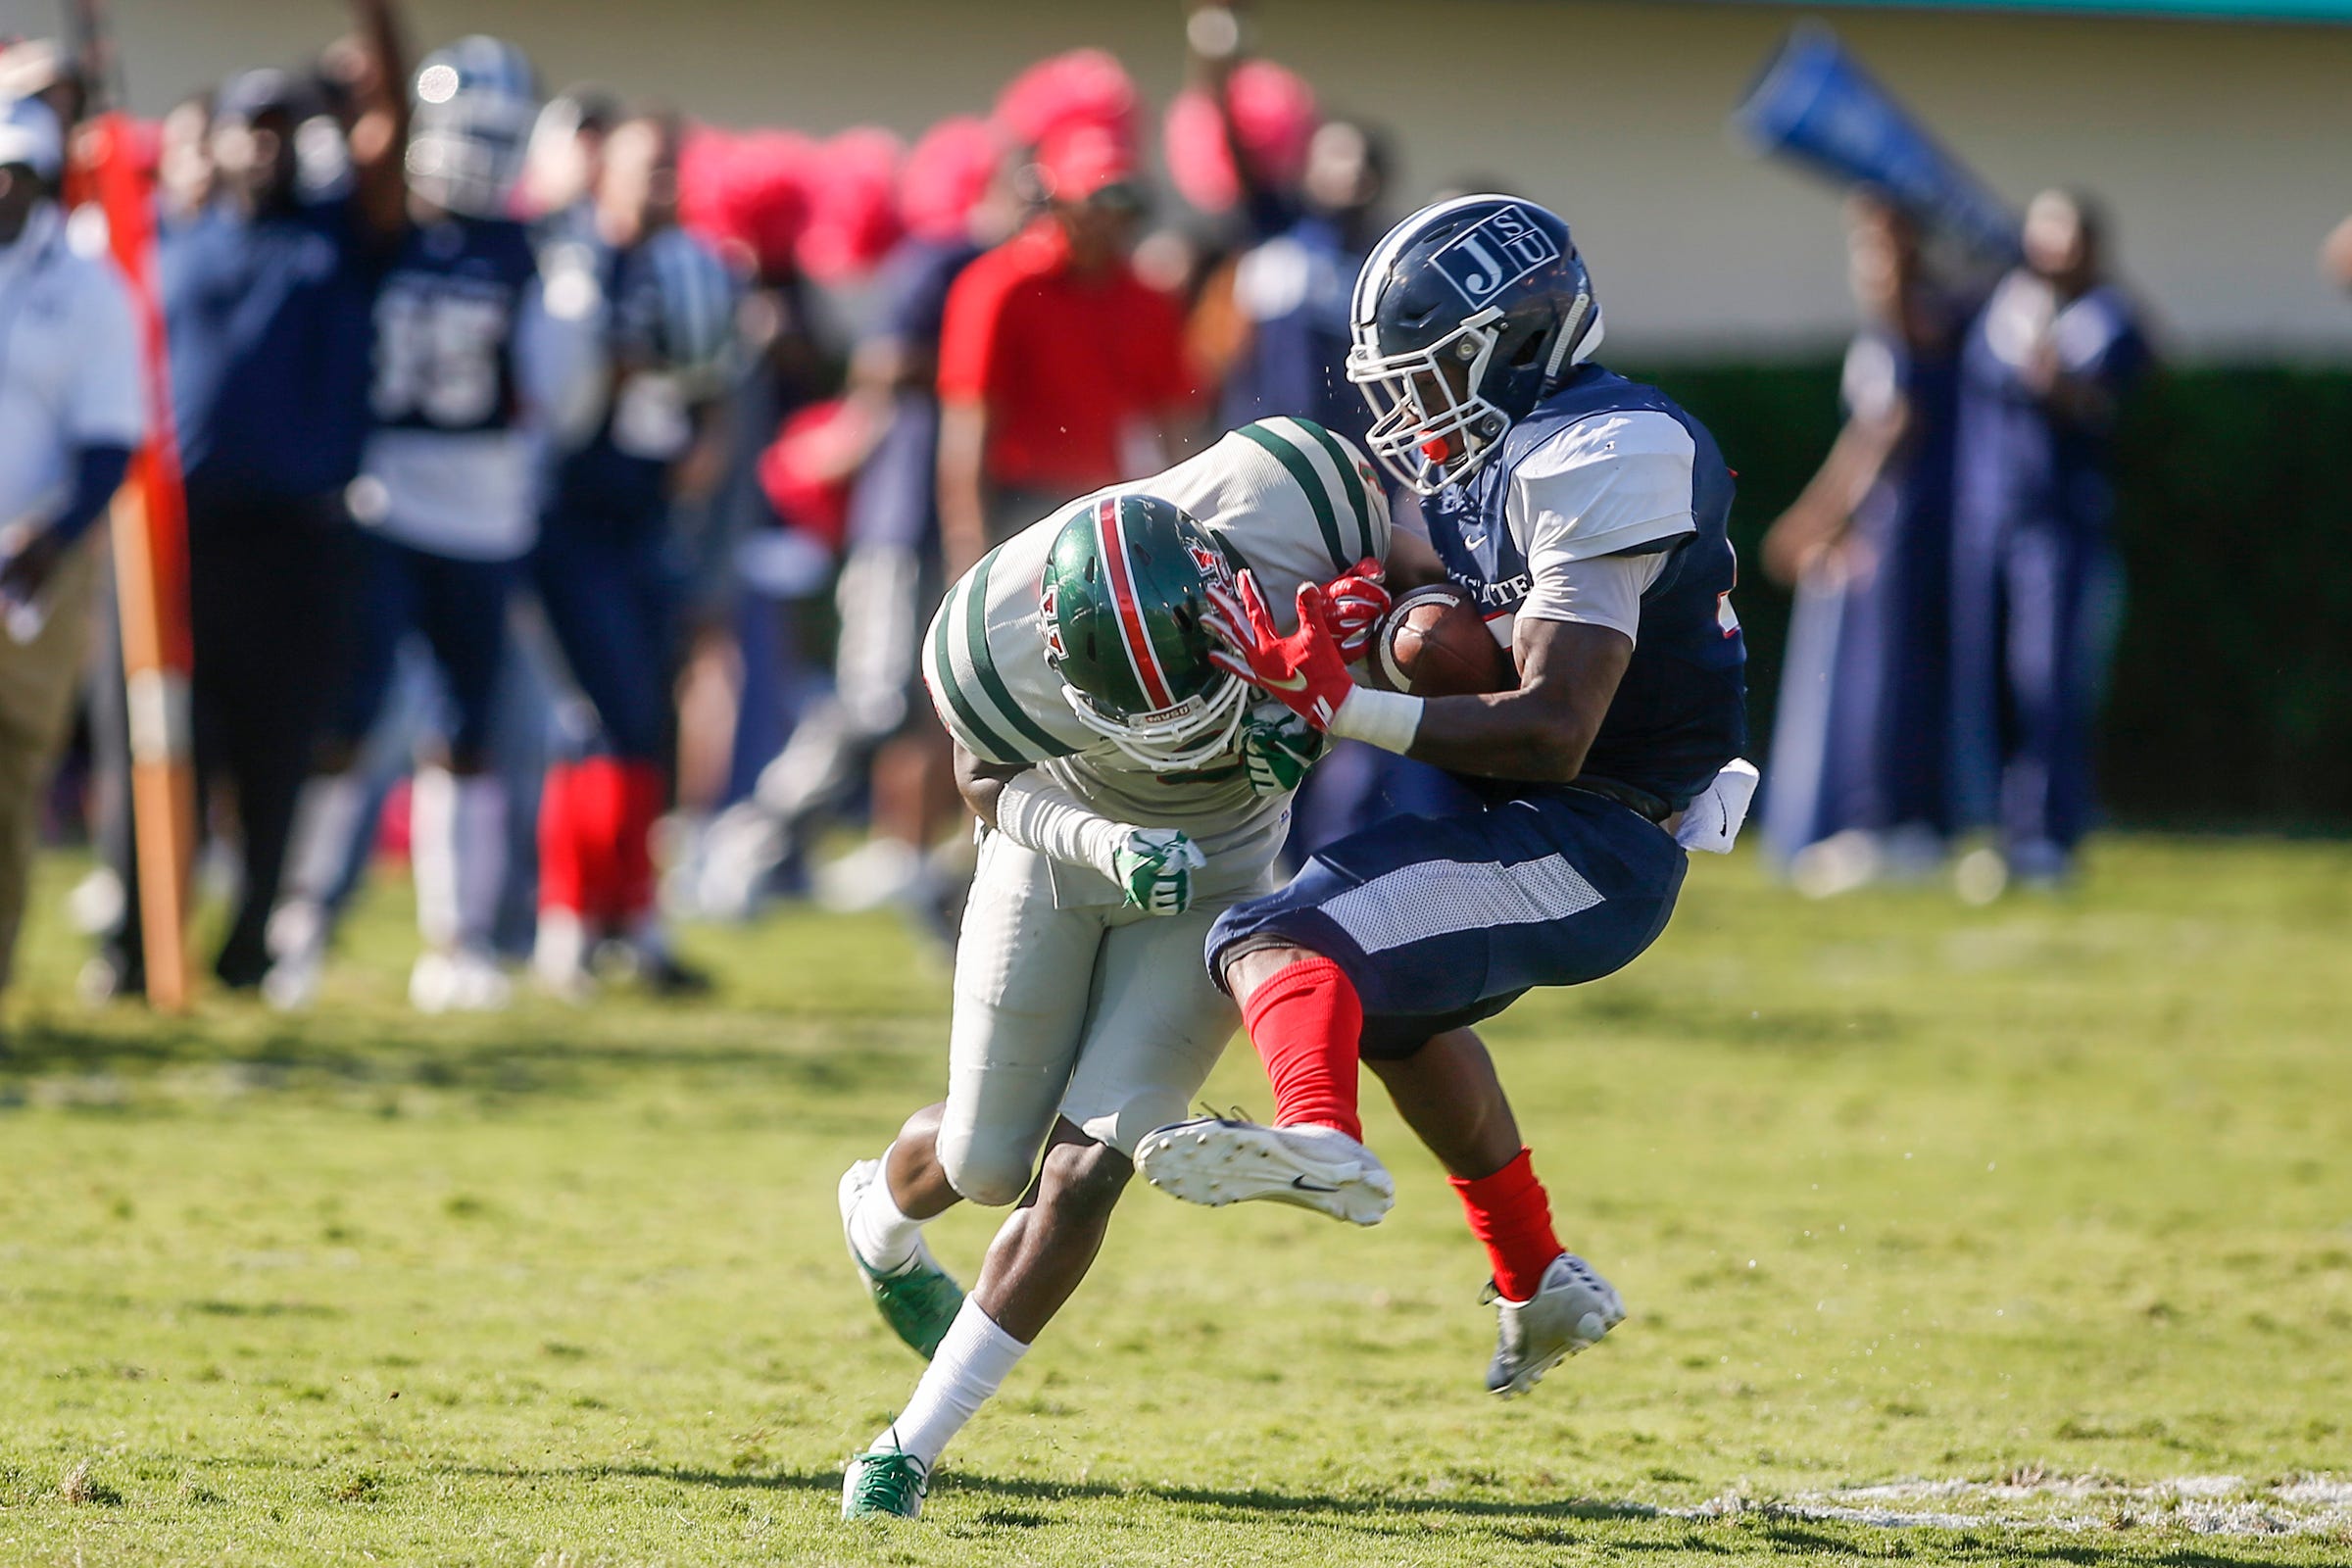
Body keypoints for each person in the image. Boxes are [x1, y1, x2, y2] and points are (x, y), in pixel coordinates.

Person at [1135, 197, 1757, 1398]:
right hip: (1557, 819)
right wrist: (1376, 617)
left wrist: (1344, 701)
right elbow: (1446, 612)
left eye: (1432, 376)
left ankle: (1317, 1135)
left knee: (1274, 934)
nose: (1410, 410)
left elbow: (1555, 727)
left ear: (1513, 342)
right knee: (1403, 1011)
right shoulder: (1504, 455)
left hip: (1601, 831)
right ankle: (1539, 1277)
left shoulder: (1607, 448)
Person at [836, 420, 1393, 1520]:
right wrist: (1107, 845)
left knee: (1090, 1163)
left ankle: (908, 1446)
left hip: (1225, 861)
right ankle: (873, 1212)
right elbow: (982, 777)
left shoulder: (1302, 500)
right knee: (986, 1160)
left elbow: (1414, 581)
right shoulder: (984, 636)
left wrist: (1356, 647)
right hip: (1057, 850)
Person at [265, 35, 596, 1012]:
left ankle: (455, 942)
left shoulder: (533, 251)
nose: (481, 154)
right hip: (384, 501)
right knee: (350, 716)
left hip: (484, 515)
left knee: (468, 730)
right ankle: (298, 918)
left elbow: (558, 401)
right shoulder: (377, 224)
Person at [89, 7, 408, 1001]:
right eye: (247, 125)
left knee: (276, 755)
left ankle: (248, 945)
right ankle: (139, 948)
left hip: (299, 543)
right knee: (155, 743)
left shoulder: (339, 238)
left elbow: (395, 130)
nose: (263, 143)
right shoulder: (165, 241)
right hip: (173, 544)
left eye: (281, 126)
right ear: (212, 139)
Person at [695, 117, 1011, 924]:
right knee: (873, 700)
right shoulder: (941, 262)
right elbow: (880, 365)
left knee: (953, 707)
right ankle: (757, 837)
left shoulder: (1022, 269)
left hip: (971, 518)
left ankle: (929, 874)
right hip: (901, 519)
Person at [530, 106, 736, 996]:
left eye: (669, 168)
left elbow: (716, 385)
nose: (661, 184)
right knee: (603, 716)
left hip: (647, 516)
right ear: (601, 170)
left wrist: (704, 448)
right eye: (643, 166)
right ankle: (573, 920)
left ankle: (631, 916)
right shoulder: (573, 265)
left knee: (644, 712)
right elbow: (556, 393)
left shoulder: (692, 264)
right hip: (572, 516)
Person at [1761, 194, 1968, 895]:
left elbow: (1887, 430)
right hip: (1890, 527)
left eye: (1884, 245)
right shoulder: (1890, 333)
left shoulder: (1921, 324)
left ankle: (1889, 828)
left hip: (1909, 530)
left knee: (1889, 680)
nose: (1871, 263)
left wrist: (1819, 521)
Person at [1947, 190, 2147, 894]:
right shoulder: (2000, 304)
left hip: (2062, 529)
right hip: (1988, 525)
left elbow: (2082, 395)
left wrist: (2039, 349)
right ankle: (2001, 831)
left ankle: (2052, 834)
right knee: (1989, 685)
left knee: (2051, 680)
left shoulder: (2110, 320)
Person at [0, 94, 141, 1014]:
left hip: (35, 569)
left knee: (9, 773)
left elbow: (110, 443)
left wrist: (47, 538)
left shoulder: (89, 285)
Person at [934, 120, 1198, 574]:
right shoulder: (1000, 287)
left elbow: (1174, 426)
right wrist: (968, 562)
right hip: (1015, 509)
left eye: (1123, 200)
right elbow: (967, 429)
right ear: (1059, 202)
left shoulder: (1148, 300)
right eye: (1096, 200)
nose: (1111, 218)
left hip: (1105, 507)